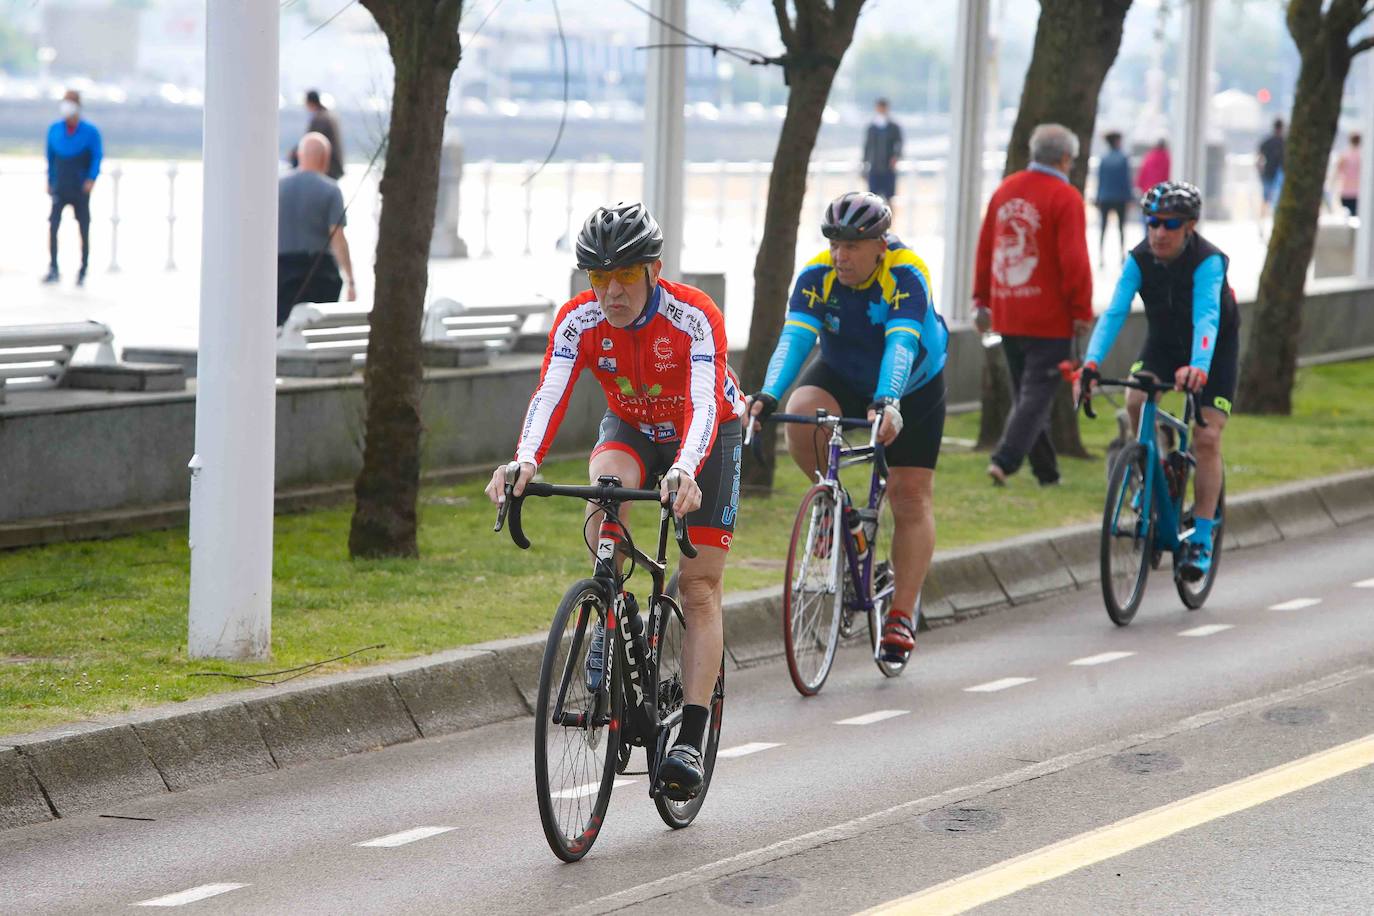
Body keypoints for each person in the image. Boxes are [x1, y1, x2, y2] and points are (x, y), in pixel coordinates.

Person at [485, 202, 743, 802]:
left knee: (699, 585)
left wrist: (684, 470)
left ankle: (691, 738)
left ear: (653, 270)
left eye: (624, 276)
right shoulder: (578, 320)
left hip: (704, 435)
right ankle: (609, 604)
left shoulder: (693, 317)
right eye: (598, 278)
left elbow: (703, 404)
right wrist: (525, 460)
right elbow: (549, 393)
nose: (610, 292)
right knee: (605, 489)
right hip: (629, 426)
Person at [745, 191, 948, 667]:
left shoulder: (906, 272)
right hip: (841, 372)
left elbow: (901, 345)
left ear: (881, 244)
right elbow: (794, 339)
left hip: (911, 384)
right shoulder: (817, 276)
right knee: (802, 412)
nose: (841, 255)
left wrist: (888, 401)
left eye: (853, 246)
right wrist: (767, 395)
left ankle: (900, 615)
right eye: (835, 243)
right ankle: (842, 514)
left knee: (910, 495)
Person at [1075, 181, 1238, 582]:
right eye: (1152, 223)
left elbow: (1207, 318)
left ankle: (1200, 536)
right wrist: (1090, 363)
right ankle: (1157, 469)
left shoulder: (1208, 262)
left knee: (1207, 437)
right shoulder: (1140, 259)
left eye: (1170, 224)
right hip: (1164, 343)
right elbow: (1113, 312)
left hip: (1211, 351)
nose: (1159, 232)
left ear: (1190, 227)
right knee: (1135, 400)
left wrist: (1198, 365)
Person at [972, 123, 1093, 488]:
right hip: (1049, 319)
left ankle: (1047, 473)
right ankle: (1004, 460)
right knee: (1035, 397)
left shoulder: (1005, 190)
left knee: (1028, 397)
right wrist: (1081, 312)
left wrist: (982, 300)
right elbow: (1075, 260)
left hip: (1008, 311)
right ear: (1066, 158)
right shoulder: (1066, 197)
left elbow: (985, 250)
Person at [277, 132, 355, 327]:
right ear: (325, 158)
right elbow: (337, 237)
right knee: (318, 329)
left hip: (282, 271)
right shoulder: (331, 190)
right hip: (320, 273)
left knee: (282, 327)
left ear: (299, 155)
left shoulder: (277, 187)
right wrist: (350, 279)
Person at [44, 89, 103, 286]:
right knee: (53, 227)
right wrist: (50, 180)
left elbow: (97, 156)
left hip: (80, 187)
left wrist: (91, 179)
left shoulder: (90, 132)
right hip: (60, 185)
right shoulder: (54, 130)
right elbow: (50, 158)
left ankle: (83, 270)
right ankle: (53, 267)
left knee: (83, 228)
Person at [1095, 131, 1133, 266]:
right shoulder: (1123, 158)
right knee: (1121, 228)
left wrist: (1098, 197)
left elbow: (1099, 180)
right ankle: (1122, 255)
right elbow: (1126, 181)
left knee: (1103, 228)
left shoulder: (1103, 159)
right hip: (1120, 198)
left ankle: (1101, 257)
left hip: (1105, 197)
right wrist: (1129, 198)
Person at [288, 89, 345, 180]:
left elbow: (309, 141)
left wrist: (293, 154)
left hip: (329, 167)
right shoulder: (328, 115)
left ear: (309, 103)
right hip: (335, 165)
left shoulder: (320, 119)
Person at [862, 98, 903, 203]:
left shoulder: (893, 127)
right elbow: (867, 147)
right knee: (872, 198)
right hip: (874, 167)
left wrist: (896, 157)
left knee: (890, 198)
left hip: (888, 168)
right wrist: (864, 164)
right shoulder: (872, 127)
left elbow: (899, 144)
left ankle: (889, 218)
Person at [1258, 119, 1285, 224]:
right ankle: (1276, 221)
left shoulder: (1266, 142)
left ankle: (1262, 222)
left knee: (1265, 200)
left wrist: (1261, 173)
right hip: (1280, 175)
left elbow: (1259, 160)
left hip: (1268, 174)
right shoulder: (1285, 142)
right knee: (1278, 201)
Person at [1334, 133, 1361, 218]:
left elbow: (1337, 173)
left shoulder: (1344, 156)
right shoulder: (1362, 157)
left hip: (1345, 191)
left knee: (1347, 217)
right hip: (1358, 192)